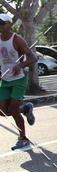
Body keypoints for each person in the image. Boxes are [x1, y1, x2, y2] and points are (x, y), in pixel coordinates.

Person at [0, 13, 37, 150]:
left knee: (13, 109)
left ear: (10, 24)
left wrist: (20, 65)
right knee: (3, 111)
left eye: (2, 23)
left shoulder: (17, 40)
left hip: (19, 79)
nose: (0, 26)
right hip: (5, 78)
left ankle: (23, 138)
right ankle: (26, 108)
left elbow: (33, 58)